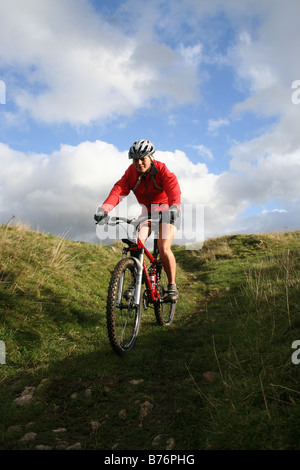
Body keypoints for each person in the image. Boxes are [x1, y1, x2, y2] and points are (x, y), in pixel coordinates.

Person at [94, 139, 181, 301]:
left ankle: (172, 286)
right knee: (137, 244)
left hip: (167, 211)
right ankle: (136, 281)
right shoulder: (131, 173)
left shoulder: (162, 170)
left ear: (151, 157)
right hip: (147, 213)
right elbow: (119, 190)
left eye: (143, 159)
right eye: (135, 159)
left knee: (163, 247)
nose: (139, 163)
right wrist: (104, 209)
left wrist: (174, 206)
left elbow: (173, 188)